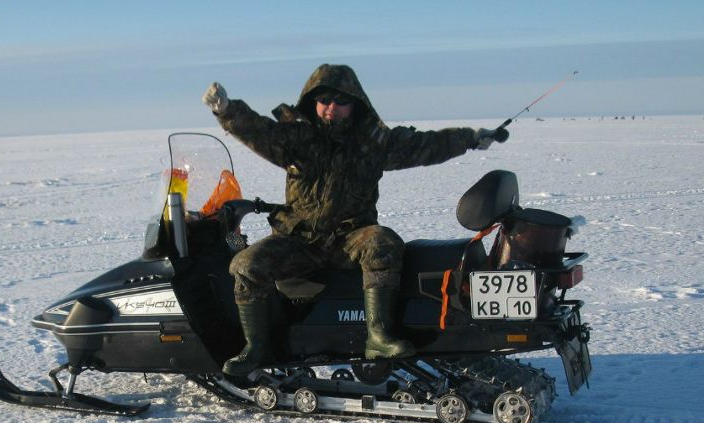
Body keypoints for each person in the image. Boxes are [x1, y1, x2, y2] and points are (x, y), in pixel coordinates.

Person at [202, 63, 504, 376]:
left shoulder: (373, 143)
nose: (332, 107)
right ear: (312, 101)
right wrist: (226, 110)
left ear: (354, 103)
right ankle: (257, 348)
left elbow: (424, 145)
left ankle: (379, 337)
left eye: (341, 101)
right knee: (245, 265)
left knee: (382, 243)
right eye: (324, 100)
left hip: (349, 237)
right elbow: (258, 131)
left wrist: (470, 137)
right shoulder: (295, 138)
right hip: (300, 239)